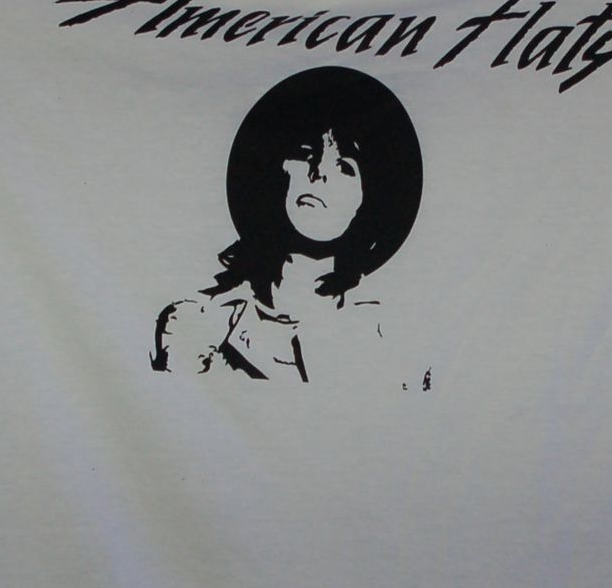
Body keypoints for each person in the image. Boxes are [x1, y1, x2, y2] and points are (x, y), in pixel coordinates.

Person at [151, 65, 428, 387]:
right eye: (305, 155)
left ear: (373, 197)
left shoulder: (389, 340)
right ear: (275, 169)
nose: (318, 174)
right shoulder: (198, 323)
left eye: (344, 167)